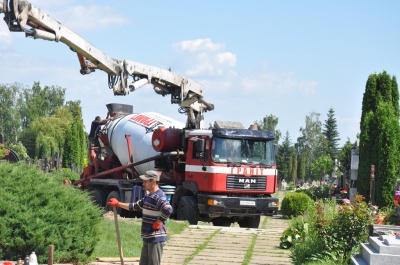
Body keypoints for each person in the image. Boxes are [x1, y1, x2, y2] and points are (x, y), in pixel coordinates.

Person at [107, 170, 173, 265]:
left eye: (145, 181)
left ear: (153, 182)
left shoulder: (159, 196)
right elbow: (135, 206)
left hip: (155, 238)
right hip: (147, 237)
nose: (143, 184)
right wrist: (118, 204)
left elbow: (168, 209)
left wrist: (159, 221)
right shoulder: (149, 196)